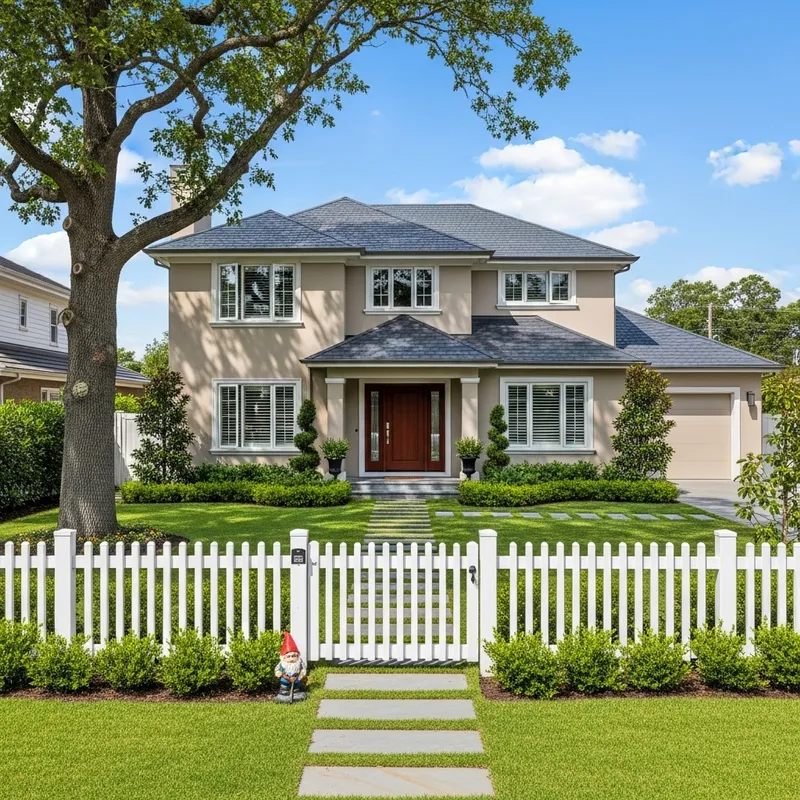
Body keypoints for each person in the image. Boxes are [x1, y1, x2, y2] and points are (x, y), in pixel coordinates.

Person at [274, 631, 307, 703]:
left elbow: (303, 671)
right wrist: (282, 675)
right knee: (284, 689)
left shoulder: (299, 663)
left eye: (293, 656)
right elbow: (278, 671)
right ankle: (284, 695)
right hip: (285, 680)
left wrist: (300, 676)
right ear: (284, 658)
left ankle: (296, 694)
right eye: (288, 656)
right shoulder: (282, 664)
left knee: (296, 689)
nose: (291, 659)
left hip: (296, 680)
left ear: (297, 656)